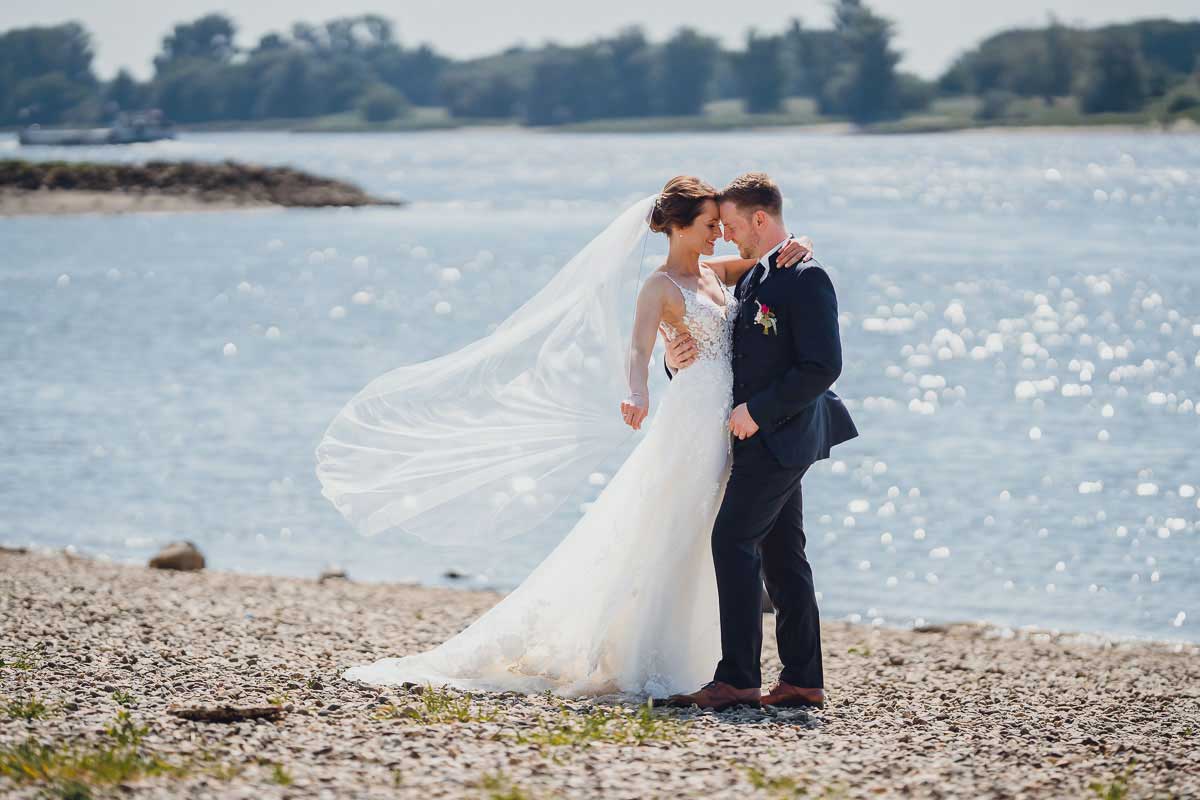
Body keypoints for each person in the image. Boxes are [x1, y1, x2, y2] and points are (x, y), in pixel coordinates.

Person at [327, 176, 818, 698]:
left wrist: (802, 243)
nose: (719, 233)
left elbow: (775, 259)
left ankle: (737, 665)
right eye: (709, 225)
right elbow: (638, 349)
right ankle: (669, 654)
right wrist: (638, 390)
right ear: (676, 227)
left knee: (724, 536)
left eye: (723, 224)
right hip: (696, 418)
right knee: (680, 526)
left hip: (734, 419)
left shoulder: (717, 272)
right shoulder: (658, 286)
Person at [659, 172, 857, 711]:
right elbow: (731, 350)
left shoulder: (804, 277)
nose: (725, 234)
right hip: (763, 438)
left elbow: (824, 365)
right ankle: (801, 680)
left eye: (731, 224)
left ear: (760, 220)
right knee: (783, 553)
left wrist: (757, 412)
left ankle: (739, 678)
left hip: (780, 435)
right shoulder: (759, 275)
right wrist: (675, 363)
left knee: (733, 542)